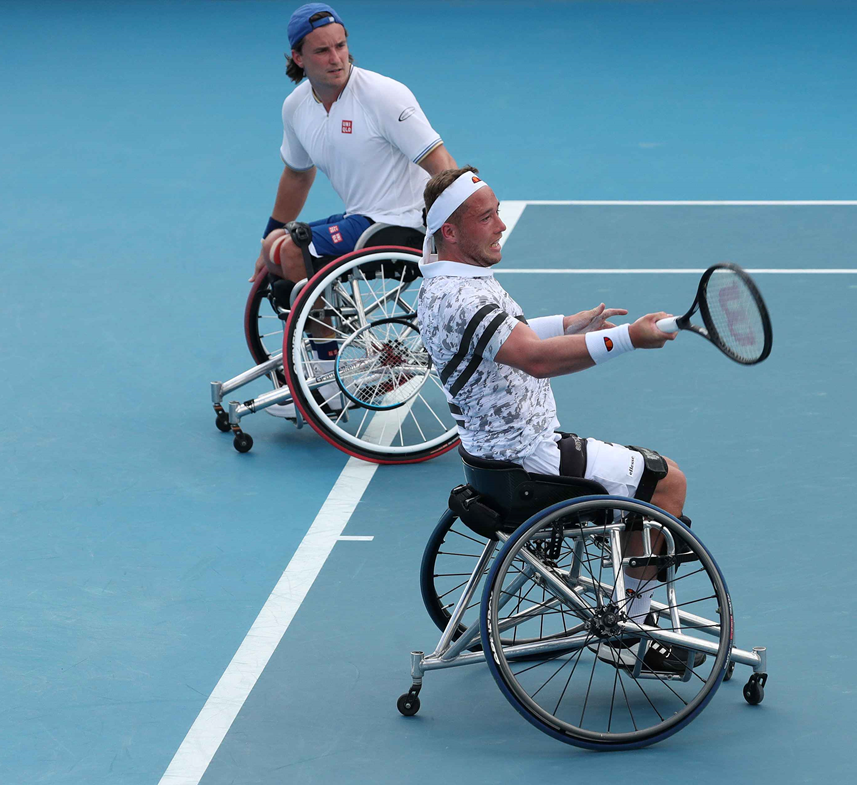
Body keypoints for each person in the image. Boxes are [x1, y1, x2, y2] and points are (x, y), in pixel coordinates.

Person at [414, 167, 701, 673]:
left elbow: (509, 336)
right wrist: (629, 338)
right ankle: (631, 631)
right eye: (487, 217)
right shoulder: (463, 296)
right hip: (530, 462)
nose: (501, 224)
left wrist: (570, 326)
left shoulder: (447, 285)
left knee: (638, 475)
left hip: (494, 458)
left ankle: (635, 587)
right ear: (451, 232)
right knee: (666, 482)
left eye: (498, 211)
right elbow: (535, 358)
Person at [253, 3, 457, 416]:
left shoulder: (383, 95)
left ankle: (328, 386)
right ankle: (344, 344)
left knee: (294, 252)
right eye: (323, 51)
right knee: (278, 246)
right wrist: (265, 241)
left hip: (402, 226)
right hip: (363, 219)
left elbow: (442, 165)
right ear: (298, 57)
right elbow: (297, 176)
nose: (337, 59)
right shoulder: (296, 107)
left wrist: (454, 232)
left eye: (341, 46)